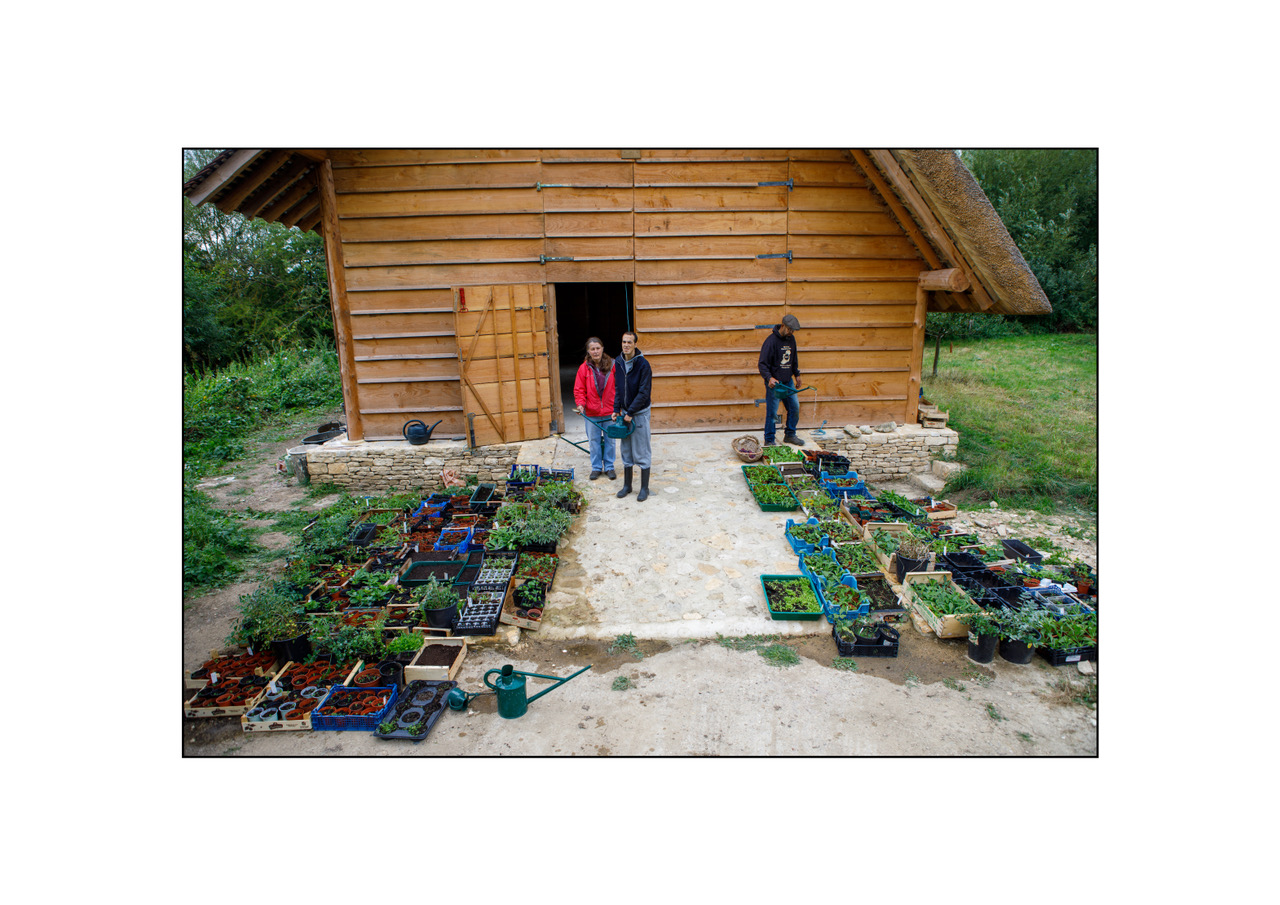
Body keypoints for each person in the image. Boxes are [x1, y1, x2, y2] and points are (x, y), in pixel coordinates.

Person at [611, 330, 653, 501]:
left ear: (635, 344)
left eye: (629, 342)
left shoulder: (643, 365)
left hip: (639, 414)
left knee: (642, 450)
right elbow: (618, 389)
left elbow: (644, 393)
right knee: (626, 450)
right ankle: (627, 486)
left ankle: (644, 488)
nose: (626, 345)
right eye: (624, 342)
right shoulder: (619, 362)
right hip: (625, 414)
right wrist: (616, 409)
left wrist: (631, 412)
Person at [571, 337, 617, 481]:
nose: (595, 351)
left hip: (610, 412)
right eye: (592, 349)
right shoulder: (584, 368)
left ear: (602, 349)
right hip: (592, 412)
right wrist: (580, 404)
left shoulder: (614, 365)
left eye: (598, 348)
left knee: (611, 441)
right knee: (594, 441)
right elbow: (579, 389)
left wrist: (619, 407)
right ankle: (596, 467)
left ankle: (609, 467)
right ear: (588, 351)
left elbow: (620, 387)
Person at [758, 313, 804, 446]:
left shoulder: (791, 339)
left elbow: (793, 358)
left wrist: (797, 374)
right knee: (772, 412)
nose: (791, 332)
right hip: (775, 384)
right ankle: (769, 440)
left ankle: (790, 434)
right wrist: (769, 378)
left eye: (793, 330)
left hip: (788, 381)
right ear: (783, 326)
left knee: (794, 407)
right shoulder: (771, 341)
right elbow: (762, 364)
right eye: (789, 329)